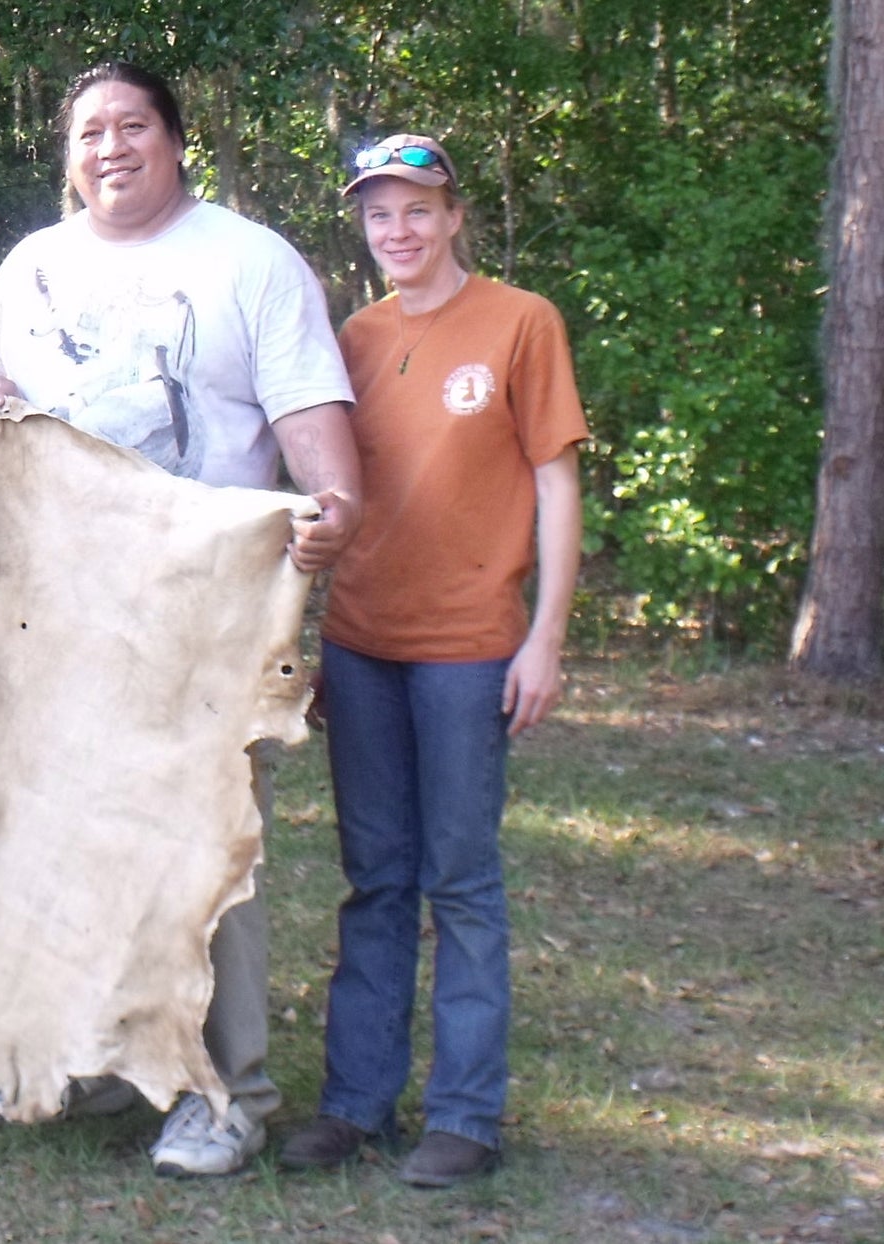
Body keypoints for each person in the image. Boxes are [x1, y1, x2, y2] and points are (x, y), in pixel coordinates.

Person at [0, 61, 363, 1178]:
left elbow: (316, 425)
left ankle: (227, 1090)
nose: (111, 146)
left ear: (178, 141)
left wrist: (335, 510)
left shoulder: (250, 261)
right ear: (67, 155)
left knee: (202, 844)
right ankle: (96, 1055)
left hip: (203, 609)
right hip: (51, 610)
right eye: (89, 130)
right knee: (65, 827)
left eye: (134, 125)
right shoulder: (33, 265)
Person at [276, 135, 585, 1188]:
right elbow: (326, 492)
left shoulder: (520, 322)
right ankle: (354, 1103)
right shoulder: (353, 337)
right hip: (362, 644)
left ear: (454, 214)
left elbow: (554, 481)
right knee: (375, 881)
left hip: (469, 648)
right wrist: (310, 629)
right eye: (377, 215)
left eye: (416, 210)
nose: (397, 231)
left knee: (459, 878)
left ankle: (464, 1112)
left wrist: (544, 633)